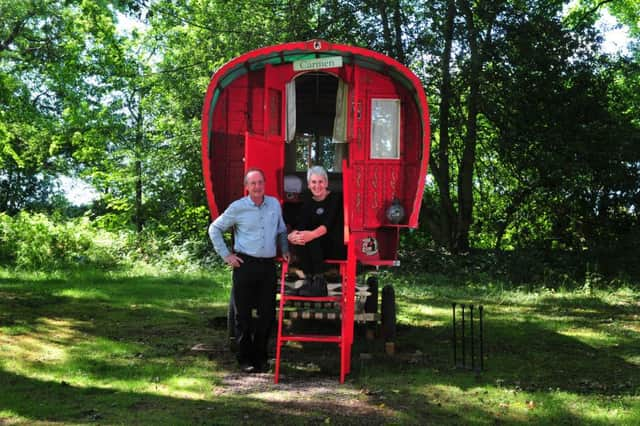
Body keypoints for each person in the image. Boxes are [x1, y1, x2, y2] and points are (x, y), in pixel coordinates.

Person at [208, 168, 290, 373]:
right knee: (242, 314)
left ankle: (261, 358)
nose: (257, 187)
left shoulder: (274, 205)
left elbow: (281, 230)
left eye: (260, 182)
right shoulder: (238, 208)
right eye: (253, 183)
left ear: (264, 184)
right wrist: (226, 255)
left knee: (267, 314)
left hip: (268, 266)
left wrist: (285, 249)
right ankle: (244, 359)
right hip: (245, 265)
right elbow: (214, 229)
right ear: (246, 187)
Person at [288, 165, 345, 297]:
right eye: (313, 182)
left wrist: (310, 235)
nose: (317, 185)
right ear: (308, 185)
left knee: (311, 239)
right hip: (315, 246)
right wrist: (293, 235)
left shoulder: (336, 199)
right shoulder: (308, 202)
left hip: (334, 244)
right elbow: (302, 224)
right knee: (301, 238)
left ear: (326, 183)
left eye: (320, 182)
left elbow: (327, 225)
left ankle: (320, 280)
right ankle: (308, 279)